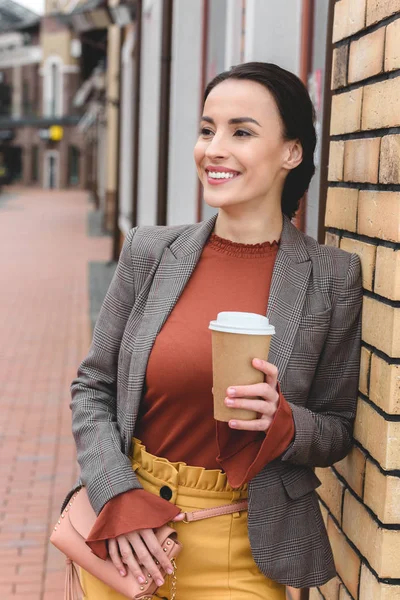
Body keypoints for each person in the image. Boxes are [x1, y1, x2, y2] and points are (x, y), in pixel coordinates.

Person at [66, 62, 362, 599]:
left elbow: (339, 428)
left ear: (291, 152)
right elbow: (93, 388)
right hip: (130, 531)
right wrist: (115, 491)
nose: (214, 149)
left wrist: (285, 421)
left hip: (241, 542)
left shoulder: (332, 278)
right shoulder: (150, 252)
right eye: (207, 130)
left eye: (241, 132)